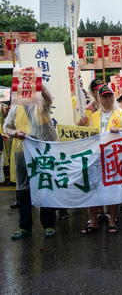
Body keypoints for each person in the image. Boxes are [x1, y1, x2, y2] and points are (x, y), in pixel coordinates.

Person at [80, 84, 122, 235]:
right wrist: (81, 126)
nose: (107, 99)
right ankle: (93, 221)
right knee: (93, 189)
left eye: (109, 96)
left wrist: (121, 130)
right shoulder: (93, 116)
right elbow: (86, 137)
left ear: (113, 97)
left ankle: (112, 220)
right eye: (104, 96)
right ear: (99, 98)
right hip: (95, 158)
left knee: (113, 188)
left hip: (114, 157)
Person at [5, 84, 59, 239]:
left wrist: (37, 81)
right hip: (23, 152)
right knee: (23, 189)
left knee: (46, 186)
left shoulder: (42, 104)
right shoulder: (15, 108)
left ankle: (48, 224)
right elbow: (6, 127)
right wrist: (15, 132)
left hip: (43, 152)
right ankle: (24, 225)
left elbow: (48, 97)